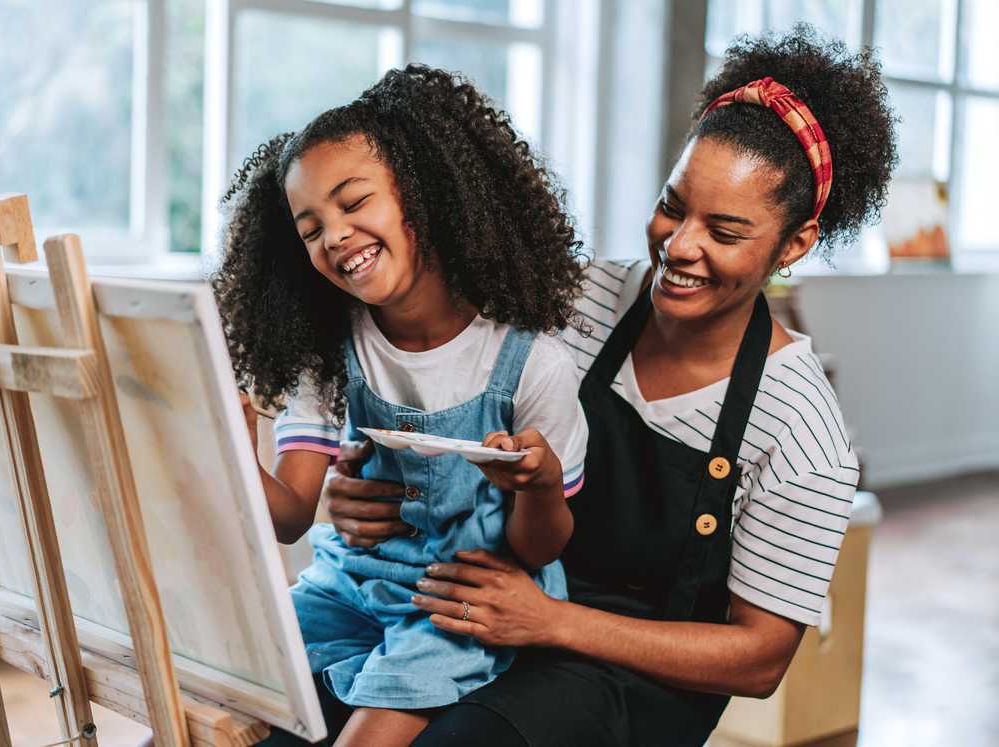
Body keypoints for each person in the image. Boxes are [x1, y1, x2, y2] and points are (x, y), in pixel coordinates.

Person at [322, 27, 898, 746]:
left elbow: (760, 657)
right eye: (673, 205)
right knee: (303, 701)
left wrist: (551, 619)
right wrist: (363, 490)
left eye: (723, 231)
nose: (680, 245)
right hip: (508, 600)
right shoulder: (581, 297)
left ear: (794, 243)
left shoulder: (801, 429)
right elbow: (462, 412)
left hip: (633, 682)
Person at [212, 65, 589, 746]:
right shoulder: (329, 349)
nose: (335, 235)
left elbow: (542, 545)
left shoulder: (531, 363)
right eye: (311, 227)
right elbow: (292, 516)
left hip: (459, 601)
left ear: (425, 193)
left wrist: (536, 484)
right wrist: (232, 450)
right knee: (228, 675)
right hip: (349, 584)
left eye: (354, 202)